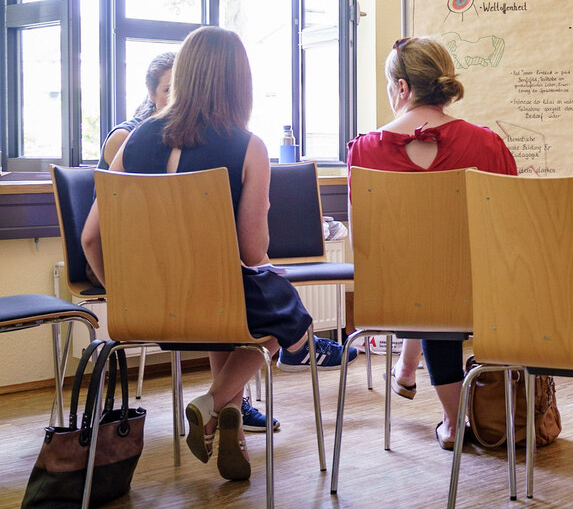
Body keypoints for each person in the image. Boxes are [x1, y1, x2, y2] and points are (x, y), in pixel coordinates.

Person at [81, 26, 356, 482]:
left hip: (144, 309)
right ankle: (213, 401)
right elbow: (252, 252)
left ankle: (231, 434)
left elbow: (92, 238)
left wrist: (126, 294)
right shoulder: (247, 146)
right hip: (216, 298)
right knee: (282, 313)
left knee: (233, 310)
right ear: (239, 81)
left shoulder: (131, 143)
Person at [346, 35, 517, 450]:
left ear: (402, 88)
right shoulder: (487, 144)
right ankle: (450, 415)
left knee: (426, 280)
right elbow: (508, 227)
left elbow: (362, 241)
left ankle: (447, 414)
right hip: (476, 296)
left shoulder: (365, 150)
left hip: (393, 296)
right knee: (445, 280)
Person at [97, 51, 175, 170]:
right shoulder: (122, 137)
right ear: (152, 94)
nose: (176, 97)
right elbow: (122, 187)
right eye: (168, 90)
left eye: (181, 89)